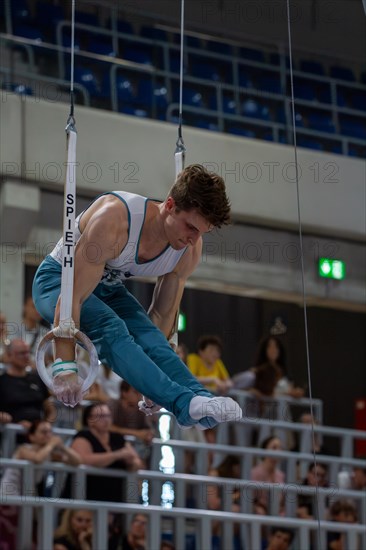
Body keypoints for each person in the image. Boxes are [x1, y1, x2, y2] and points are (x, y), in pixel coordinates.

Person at [32, 164, 242, 431]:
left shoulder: (189, 248)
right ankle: (183, 402)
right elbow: (71, 298)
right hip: (57, 284)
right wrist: (65, 366)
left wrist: (149, 383)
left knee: (153, 339)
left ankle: (200, 398)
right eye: (190, 226)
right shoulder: (115, 220)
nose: (193, 239)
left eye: (201, 232)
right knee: (112, 328)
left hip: (108, 290)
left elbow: (162, 317)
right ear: (169, 205)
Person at [0, 419, 80, 498]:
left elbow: (77, 461)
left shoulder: (49, 454)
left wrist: (62, 447)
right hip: (8, 494)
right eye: (44, 432)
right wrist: (51, 444)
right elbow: (38, 459)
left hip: (26, 495)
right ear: (32, 436)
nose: (48, 435)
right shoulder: (23, 449)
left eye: (50, 432)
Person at [0, 339, 55, 430]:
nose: (26, 356)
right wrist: (6, 418)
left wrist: (45, 426)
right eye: (22, 353)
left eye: (28, 353)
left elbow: (50, 409)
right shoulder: (2, 382)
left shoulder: (36, 379)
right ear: (9, 355)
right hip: (12, 435)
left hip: (37, 435)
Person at [108, 380, 156, 466]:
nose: (139, 395)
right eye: (135, 392)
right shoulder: (113, 405)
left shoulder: (142, 408)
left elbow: (148, 429)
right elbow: (108, 427)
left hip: (137, 447)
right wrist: (136, 433)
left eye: (139, 392)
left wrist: (148, 435)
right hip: (113, 444)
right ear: (124, 393)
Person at [250, 436, 286, 514]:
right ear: (265, 450)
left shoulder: (281, 475)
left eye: (280, 448)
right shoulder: (255, 473)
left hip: (277, 513)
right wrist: (256, 508)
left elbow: (283, 502)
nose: (278, 451)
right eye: (274, 448)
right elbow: (249, 500)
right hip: (259, 513)